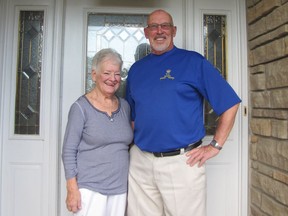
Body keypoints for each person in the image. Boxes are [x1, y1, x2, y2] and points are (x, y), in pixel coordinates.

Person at [125, 9, 241, 216]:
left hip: (181, 162)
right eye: (154, 26)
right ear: (146, 32)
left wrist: (215, 145)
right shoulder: (136, 70)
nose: (159, 31)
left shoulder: (193, 62)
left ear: (174, 30)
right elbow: (134, 116)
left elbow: (230, 103)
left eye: (165, 26)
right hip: (141, 161)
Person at [62, 48, 133, 216]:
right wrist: (72, 189)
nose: (112, 79)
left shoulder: (124, 106)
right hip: (90, 188)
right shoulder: (80, 108)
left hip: (120, 188)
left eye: (117, 74)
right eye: (107, 73)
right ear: (94, 75)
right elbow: (68, 151)